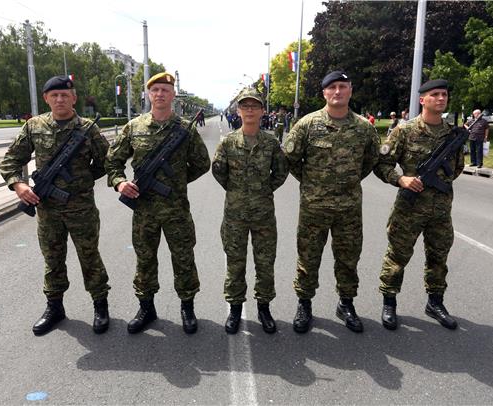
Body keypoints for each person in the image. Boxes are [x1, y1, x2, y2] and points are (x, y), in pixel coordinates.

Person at [0, 75, 111, 336]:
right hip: (48, 209)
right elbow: (10, 161)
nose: (60, 99)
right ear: (46, 98)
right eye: (54, 95)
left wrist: (82, 181)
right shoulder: (34, 127)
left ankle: (100, 305)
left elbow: (107, 162)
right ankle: (54, 308)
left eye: (65, 95)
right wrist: (19, 185)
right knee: (52, 259)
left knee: (89, 256)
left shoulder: (87, 129)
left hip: (81, 208)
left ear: (74, 98)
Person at [105, 72, 210, 335]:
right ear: (148, 95)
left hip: (176, 210)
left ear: (173, 95)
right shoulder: (134, 127)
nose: (160, 94)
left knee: (184, 259)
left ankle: (187, 307)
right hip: (144, 210)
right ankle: (146, 308)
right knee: (145, 260)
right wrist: (120, 182)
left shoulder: (185, 129)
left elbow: (202, 163)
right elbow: (112, 160)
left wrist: (178, 182)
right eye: (155, 90)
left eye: (165, 89)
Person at [283, 70, 380, 334]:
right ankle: (304, 304)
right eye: (333, 87)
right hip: (314, 207)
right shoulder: (307, 124)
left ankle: (346, 304)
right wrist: (312, 183)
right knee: (308, 258)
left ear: (350, 90)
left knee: (348, 258)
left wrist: (349, 181)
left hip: (349, 208)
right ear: (324, 92)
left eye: (343, 86)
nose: (338, 91)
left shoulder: (364, 128)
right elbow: (290, 159)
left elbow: (371, 160)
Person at [374, 79, 464, 331]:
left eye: (444, 94)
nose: (441, 98)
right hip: (409, 208)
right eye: (434, 94)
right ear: (422, 100)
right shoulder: (405, 131)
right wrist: (401, 179)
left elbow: (457, 168)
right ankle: (389, 301)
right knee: (397, 256)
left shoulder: (452, 134)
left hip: (441, 210)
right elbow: (382, 164)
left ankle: (435, 302)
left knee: (438, 257)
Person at [212, 88, 289, 334]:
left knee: (265, 263)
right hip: (235, 215)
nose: (250, 110)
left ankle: (264, 308)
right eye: (245, 106)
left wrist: (262, 190)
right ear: (238, 110)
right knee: (235, 264)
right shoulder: (228, 143)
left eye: (254, 106)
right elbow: (219, 172)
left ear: (262, 111)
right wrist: (237, 191)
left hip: (263, 214)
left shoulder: (271, 143)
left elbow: (280, 172)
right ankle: (235, 309)